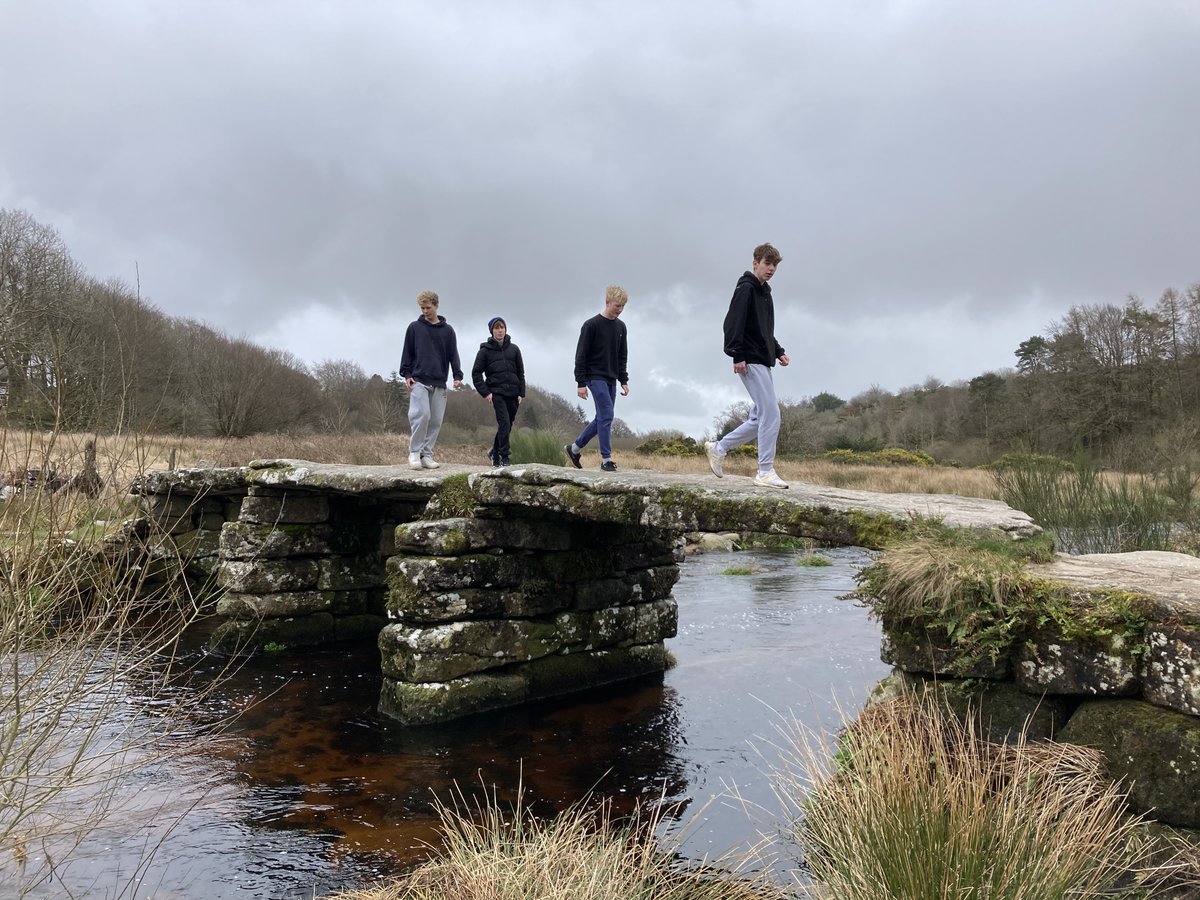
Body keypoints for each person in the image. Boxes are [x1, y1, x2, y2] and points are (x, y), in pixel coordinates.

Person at [705, 243, 791, 489]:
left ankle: (719, 448)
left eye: (774, 265)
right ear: (755, 262)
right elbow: (732, 323)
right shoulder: (746, 289)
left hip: (763, 359)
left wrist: (779, 351)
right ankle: (765, 471)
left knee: (759, 418)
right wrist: (737, 355)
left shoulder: (765, 293)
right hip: (749, 360)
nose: (771, 269)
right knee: (772, 414)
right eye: (767, 263)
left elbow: (763, 330)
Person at [564, 285, 629, 473]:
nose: (620, 310)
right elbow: (581, 355)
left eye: (623, 306)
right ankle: (606, 459)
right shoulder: (591, 325)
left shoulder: (621, 327)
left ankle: (574, 449)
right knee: (607, 415)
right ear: (607, 302)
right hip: (594, 376)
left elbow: (622, 355)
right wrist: (581, 383)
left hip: (611, 378)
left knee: (601, 417)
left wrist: (623, 380)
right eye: (617, 305)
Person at [399, 290, 462, 469]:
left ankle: (426, 454)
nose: (425, 311)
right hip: (419, 379)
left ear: (436, 306)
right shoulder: (414, 327)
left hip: (440, 382)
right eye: (422, 308)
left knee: (435, 420)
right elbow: (407, 353)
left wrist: (457, 375)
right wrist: (407, 374)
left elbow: (453, 354)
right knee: (422, 415)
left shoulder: (448, 331)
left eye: (428, 307)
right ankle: (414, 453)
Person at [471, 316, 526, 467]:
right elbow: (476, 374)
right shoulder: (484, 352)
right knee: (504, 423)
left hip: (514, 393)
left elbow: (521, 373)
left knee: (507, 426)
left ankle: (493, 452)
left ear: (505, 329)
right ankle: (504, 458)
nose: (500, 330)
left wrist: (521, 393)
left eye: (502, 327)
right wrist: (486, 393)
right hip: (497, 393)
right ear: (492, 331)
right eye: (497, 328)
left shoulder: (514, 349)